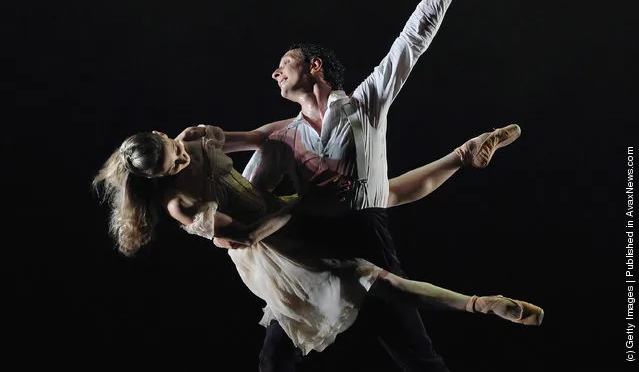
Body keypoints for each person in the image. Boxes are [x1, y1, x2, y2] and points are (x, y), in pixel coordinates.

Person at [202, 0, 513, 372]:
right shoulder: (281, 138)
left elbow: (410, 44)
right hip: (309, 245)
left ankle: (462, 162)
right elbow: (246, 195)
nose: (275, 73)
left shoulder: (364, 106)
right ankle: (461, 157)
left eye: (284, 64)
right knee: (275, 358)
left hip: (367, 233)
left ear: (314, 66)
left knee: (417, 356)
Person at [93, 125, 542, 357]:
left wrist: (286, 142)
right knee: (368, 277)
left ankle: (462, 155)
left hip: (269, 197)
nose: (183, 156)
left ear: (164, 134)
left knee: (382, 193)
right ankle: (479, 303)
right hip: (273, 246)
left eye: (175, 146)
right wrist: (299, 202)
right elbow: (245, 236)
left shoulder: (191, 140)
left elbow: (262, 141)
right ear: (157, 180)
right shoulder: (180, 204)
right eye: (174, 165)